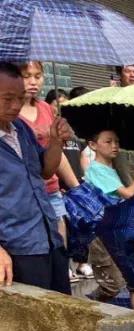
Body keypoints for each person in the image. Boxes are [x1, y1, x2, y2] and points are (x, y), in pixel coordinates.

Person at [0, 62, 74, 293]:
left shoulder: (20, 128)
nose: (15, 106)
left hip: (48, 239)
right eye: (7, 98)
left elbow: (45, 171)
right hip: (16, 250)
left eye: (20, 98)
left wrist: (55, 141)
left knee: (64, 316)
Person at [17, 62, 82, 278]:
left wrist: (77, 188)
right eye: (27, 76)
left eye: (38, 76)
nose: (33, 82)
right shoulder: (10, 113)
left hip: (51, 189)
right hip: (25, 194)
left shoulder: (46, 109)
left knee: (59, 250)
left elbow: (58, 156)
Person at [82, 128, 134, 308]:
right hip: (103, 234)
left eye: (117, 142)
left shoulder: (112, 169)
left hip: (118, 230)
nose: (114, 146)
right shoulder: (97, 170)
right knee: (112, 285)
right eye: (108, 141)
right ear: (92, 145)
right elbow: (128, 194)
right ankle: (88, 306)